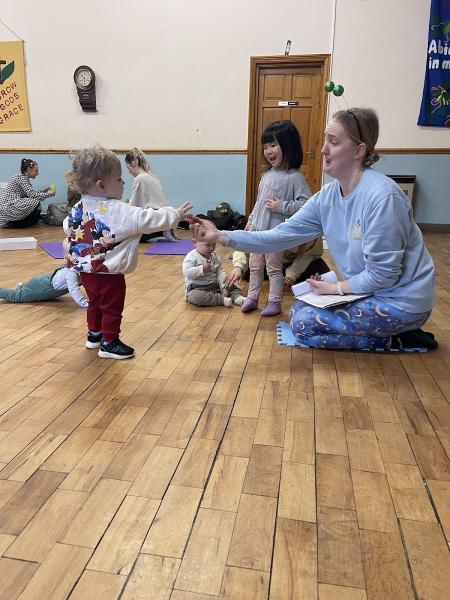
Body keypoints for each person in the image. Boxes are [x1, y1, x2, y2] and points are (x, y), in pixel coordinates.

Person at [192, 107, 437, 351]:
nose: (323, 149)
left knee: (304, 324)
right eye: (325, 141)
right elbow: (277, 237)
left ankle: (400, 337)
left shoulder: (383, 197)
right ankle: (390, 337)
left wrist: (336, 289)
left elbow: (384, 275)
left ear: (359, 150)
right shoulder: (328, 196)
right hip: (371, 293)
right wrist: (221, 235)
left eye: (333, 142)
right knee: (299, 310)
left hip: (402, 303)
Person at [64, 145, 192, 360]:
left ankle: (94, 335)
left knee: (95, 303)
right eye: (119, 179)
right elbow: (147, 219)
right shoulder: (118, 210)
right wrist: (175, 214)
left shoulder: (79, 206)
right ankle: (109, 342)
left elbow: (68, 226)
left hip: (86, 273)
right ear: (101, 185)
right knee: (112, 307)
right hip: (109, 275)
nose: (123, 183)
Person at [240, 120, 311, 317]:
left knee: (273, 268)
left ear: (288, 146)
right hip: (257, 231)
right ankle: (252, 298)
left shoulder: (295, 178)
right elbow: (259, 202)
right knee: (255, 267)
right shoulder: (266, 175)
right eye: (265, 147)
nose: (268, 151)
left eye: (273, 145)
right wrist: (251, 220)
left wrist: (282, 206)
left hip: (276, 234)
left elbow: (307, 204)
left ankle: (274, 301)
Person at [226, 236, 328, 289]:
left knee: (323, 274)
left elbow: (310, 254)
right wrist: (238, 266)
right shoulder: (268, 224)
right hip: (271, 260)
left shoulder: (313, 229)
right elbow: (243, 246)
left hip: (297, 261)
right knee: (247, 272)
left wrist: (293, 273)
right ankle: (281, 275)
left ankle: (286, 276)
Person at [125, 147, 181, 243]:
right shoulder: (153, 177)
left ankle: (159, 231)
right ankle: (165, 229)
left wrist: (125, 205)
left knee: (126, 237)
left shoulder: (140, 178)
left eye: (128, 168)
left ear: (133, 163)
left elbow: (134, 206)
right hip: (166, 216)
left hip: (156, 220)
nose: (129, 171)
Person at [183, 239, 246, 307]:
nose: (212, 248)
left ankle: (238, 297)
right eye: (208, 245)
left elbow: (220, 272)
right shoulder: (191, 257)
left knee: (230, 284)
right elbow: (187, 273)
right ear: (195, 242)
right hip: (197, 288)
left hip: (215, 285)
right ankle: (221, 300)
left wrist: (223, 286)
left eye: (214, 244)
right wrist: (202, 269)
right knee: (195, 297)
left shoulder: (214, 256)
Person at [0, 159, 56, 228]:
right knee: (35, 202)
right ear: (29, 169)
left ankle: (22, 222)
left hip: (9, 204)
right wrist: (49, 194)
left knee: (35, 203)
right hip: (8, 205)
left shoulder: (22, 177)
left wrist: (45, 190)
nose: (37, 173)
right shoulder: (21, 178)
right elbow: (33, 196)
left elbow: (31, 194)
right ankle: (12, 224)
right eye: (36, 170)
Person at [0, 265, 88, 307]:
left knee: (28, 290)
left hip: (42, 282)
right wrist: (86, 303)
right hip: (42, 288)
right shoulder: (72, 273)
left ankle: (22, 287)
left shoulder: (76, 267)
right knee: (16, 296)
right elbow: (74, 290)